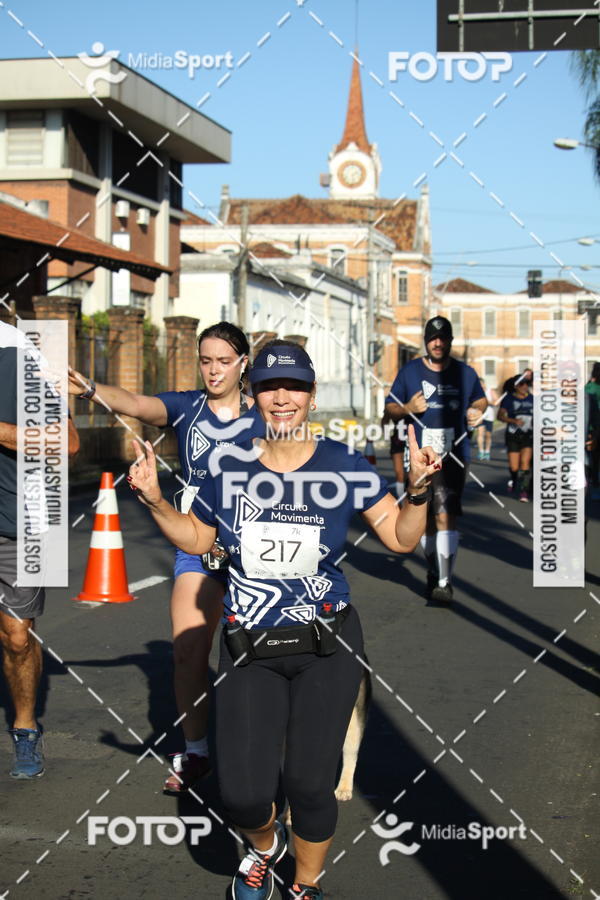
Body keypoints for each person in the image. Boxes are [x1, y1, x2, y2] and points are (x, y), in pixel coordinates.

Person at [127, 339, 440, 900]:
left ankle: (306, 882)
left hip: (328, 643)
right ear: (255, 395)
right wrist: (155, 500)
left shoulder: (343, 462)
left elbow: (398, 537)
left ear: (311, 396)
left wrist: (417, 492)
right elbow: (200, 538)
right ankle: (264, 846)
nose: (282, 398)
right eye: (270, 387)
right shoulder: (229, 465)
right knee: (245, 793)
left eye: (294, 386)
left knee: (310, 782)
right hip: (250, 645)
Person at [68, 321, 264, 793]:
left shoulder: (265, 417)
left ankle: (258, 751)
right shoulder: (187, 408)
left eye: (223, 360)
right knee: (187, 650)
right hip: (196, 543)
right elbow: (136, 404)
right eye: (205, 360)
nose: (213, 370)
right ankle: (196, 752)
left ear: (242, 364)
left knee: (255, 659)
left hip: (254, 549)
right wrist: (92, 389)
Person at [0, 320, 80, 778]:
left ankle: (26, 728)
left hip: (21, 521)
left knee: (16, 636)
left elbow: (65, 442)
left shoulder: (26, 352)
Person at [384, 316, 487, 602]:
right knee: (426, 518)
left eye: (443, 339)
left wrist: (476, 411)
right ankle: (434, 571)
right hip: (418, 455)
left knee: (445, 514)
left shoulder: (465, 373)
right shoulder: (410, 372)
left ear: (450, 341)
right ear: (426, 341)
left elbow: (481, 399)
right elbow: (390, 409)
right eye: (432, 338)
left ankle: (444, 582)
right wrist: (407, 407)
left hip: (453, 454)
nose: (438, 343)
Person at [497, 375, 533, 502]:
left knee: (525, 463)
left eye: (526, 384)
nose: (524, 386)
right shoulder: (509, 399)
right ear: (515, 386)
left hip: (528, 435)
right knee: (514, 467)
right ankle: (513, 478)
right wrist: (512, 420)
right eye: (521, 384)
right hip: (513, 435)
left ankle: (524, 491)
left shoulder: (533, 399)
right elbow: (500, 416)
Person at [381, 408, 407, 499]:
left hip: (417, 437)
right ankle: (402, 501)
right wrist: (387, 437)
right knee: (399, 473)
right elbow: (385, 419)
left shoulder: (417, 398)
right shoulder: (394, 401)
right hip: (398, 439)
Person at [585, 362, 600, 488]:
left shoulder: (590, 386)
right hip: (594, 425)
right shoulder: (591, 387)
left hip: (593, 425)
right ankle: (593, 480)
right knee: (594, 455)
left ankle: (594, 479)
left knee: (594, 456)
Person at [476, 378, 497, 460]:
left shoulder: (490, 391)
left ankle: (487, 451)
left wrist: (488, 402)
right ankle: (481, 451)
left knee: (488, 435)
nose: (481, 386)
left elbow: (496, 402)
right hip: (480, 415)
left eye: (482, 384)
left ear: (484, 384)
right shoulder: (476, 393)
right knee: (480, 433)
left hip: (489, 416)